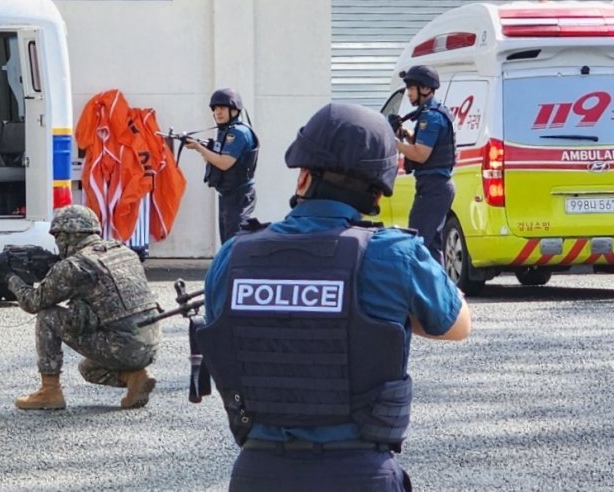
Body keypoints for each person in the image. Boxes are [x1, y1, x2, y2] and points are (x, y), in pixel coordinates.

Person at [194, 102, 471, 491]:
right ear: (377, 195)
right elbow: (457, 325)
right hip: (359, 472)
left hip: (259, 472)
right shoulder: (393, 253)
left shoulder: (233, 255)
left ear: (303, 178)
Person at [4, 204, 162, 411]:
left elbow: (33, 302)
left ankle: (49, 391)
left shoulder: (74, 266)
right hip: (149, 345)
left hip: (123, 347)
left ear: (66, 237)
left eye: (58, 237)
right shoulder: (123, 251)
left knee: (48, 316)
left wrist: (9, 277)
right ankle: (136, 377)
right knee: (89, 369)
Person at [394, 65, 456, 265]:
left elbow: (421, 154)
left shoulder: (431, 117)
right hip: (434, 187)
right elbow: (423, 142)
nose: (409, 93)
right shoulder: (430, 113)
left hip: (433, 187)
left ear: (426, 89)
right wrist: (404, 133)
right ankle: (439, 291)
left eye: (412, 89)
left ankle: (428, 291)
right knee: (430, 246)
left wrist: (393, 142)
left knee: (418, 242)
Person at [185, 88, 259, 244]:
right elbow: (214, 161)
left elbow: (224, 163)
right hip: (227, 195)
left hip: (238, 195)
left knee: (234, 243)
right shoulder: (225, 131)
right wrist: (201, 148)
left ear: (234, 110)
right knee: (227, 243)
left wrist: (199, 148)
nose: (218, 112)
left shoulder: (237, 133)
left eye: (222, 108)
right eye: (215, 109)